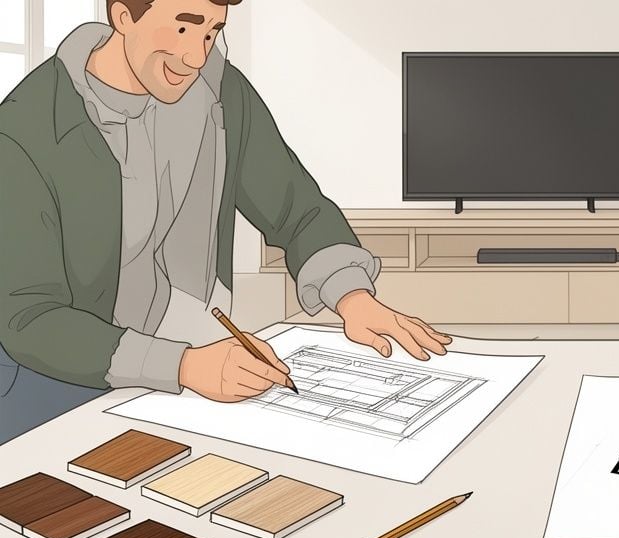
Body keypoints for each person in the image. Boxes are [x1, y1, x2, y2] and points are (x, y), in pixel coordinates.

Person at [0, 0, 451, 444]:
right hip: (55, 385)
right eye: (182, 29)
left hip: (189, 363)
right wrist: (181, 366)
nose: (195, 56)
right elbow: (29, 318)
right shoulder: (25, 130)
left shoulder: (220, 92)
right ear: (123, 16)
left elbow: (294, 204)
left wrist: (352, 298)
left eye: (211, 32)